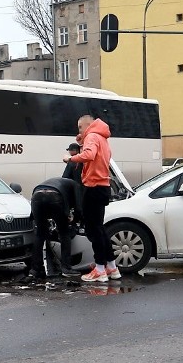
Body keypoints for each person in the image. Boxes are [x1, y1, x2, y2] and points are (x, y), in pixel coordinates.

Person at [63, 114, 120, 283]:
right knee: (99, 229)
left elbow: (89, 155)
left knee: (93, 230)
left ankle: (100, 269)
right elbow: (95, 155)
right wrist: (82, 141)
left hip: (93, 187)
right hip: (103, 187)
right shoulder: (102, 138)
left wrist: (70, 159)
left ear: (88, 125)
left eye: (80, 127)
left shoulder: (92, 136)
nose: (79, 130)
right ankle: (112, 267)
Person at [27, 176, 83, 280]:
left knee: (40, 234)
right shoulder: (76, 185)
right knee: (64, 232)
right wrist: (76, 221)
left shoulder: (60, 181)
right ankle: (66, 268)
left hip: (37, 195)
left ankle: (34, 270)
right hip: (55, 196)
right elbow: (79, 208)